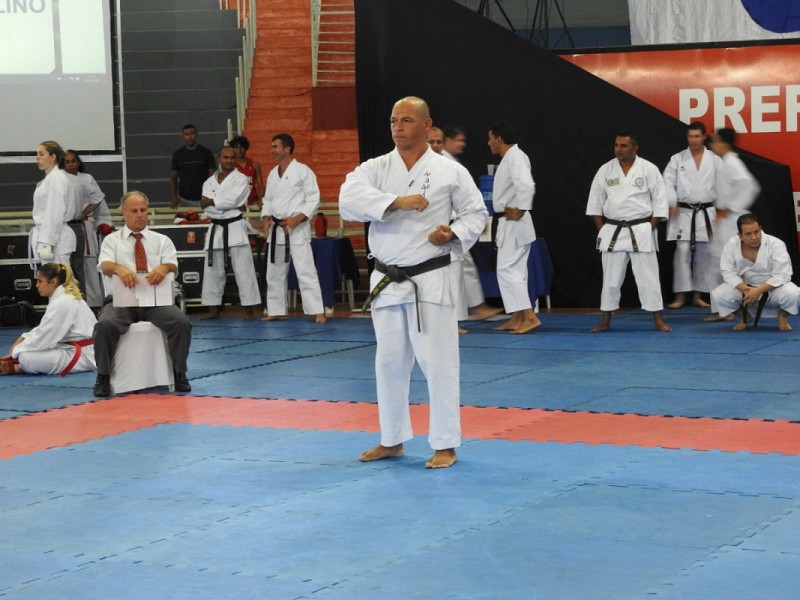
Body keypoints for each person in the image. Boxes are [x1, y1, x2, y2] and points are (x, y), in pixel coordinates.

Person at [339, 96, 487, 469]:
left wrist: (452, 233)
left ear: (426, 124)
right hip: (387, 277)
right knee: (389, 362)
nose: (398, 127)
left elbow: (475, 213)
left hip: (429, 277)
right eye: (393, 120)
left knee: (438, 363)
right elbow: (348, 198)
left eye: (406, 120)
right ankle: (392, 439)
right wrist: (397, 202)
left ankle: (445, 444)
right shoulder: (376, 167)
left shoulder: (449, 170)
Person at [92, 191, 193, 397]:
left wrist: (163, 268)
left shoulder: (161, 240)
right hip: (121, 301)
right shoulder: (112, 240)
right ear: (124, 213)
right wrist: (120, 269)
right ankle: (103, 376)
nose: (140, 215)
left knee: (180, 322)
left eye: (143, 210)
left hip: (155, 302)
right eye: (134, 211)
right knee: (105, 324)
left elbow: (173, 265)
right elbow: (105, 265)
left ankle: (179, 372)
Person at [586, 132, 671, 333]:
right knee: (611, 279)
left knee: (649, 278)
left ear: (635, 148)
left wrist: (650, 227)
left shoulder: (648, 169)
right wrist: (602, 229)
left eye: (623, 146)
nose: (618, 149)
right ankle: (605, 320)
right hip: (613, 229)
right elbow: (595, 202)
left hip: (640, 228)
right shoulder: (606, 169)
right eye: (616, 145)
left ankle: (658, 319)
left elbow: (660, 201)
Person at [260, 133, 327, 324]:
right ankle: (277, 310)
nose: (272, 150)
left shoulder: (303, 171)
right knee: (274, 272)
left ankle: (317, 310)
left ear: (287, 149)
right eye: (272, 147)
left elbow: (313, 198)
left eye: (275, 146)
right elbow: (268, 198)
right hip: (277, 228)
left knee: (305, 270)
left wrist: (297, 219)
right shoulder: (273, 174)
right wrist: (266, 218)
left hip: (296, 228)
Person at [487, 121, 541, 334]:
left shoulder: (515, 157)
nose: (488, 143)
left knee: (508, 270)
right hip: (510, 222)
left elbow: (527, 185)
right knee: (515, 271)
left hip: (515, 221)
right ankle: (517, 317)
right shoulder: (510, 158)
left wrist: (522, 208)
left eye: (490, 138)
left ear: (499, 139)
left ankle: (529, 316)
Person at [663, 122, 723, 309]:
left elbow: (724, 185)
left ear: (704, 136)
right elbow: (667, 182)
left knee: (704, 255)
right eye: (691, 136)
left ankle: (698, 295)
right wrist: (672, 202)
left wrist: (722, 208)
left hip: (706, 212)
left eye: (697, 136)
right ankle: (680, 296)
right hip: (684, 212)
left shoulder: (715, 160)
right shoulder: (677, 159)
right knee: (682, 253)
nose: (694, 140)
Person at [0, 263, 96, 376]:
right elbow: (44, 330)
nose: (37, 285)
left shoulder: (63, 301)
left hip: (85, 356)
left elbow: (45, 337)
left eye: (40, 281)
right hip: (75, 348)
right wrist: (23, 338)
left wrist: (16, 352)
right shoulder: (62, 297)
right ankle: (18, 365)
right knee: (26, 350)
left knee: (26, 357)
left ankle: (18, 367)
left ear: (53, 281)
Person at [200, 146, 261, 320]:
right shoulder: (209, 182)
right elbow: (204, 205)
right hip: (216, 226)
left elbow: (235, 200)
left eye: (232, 157)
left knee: (244, 268)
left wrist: (212, 201)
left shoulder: (241, 179)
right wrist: (225, 203)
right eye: (225, 157)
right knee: (213, 269)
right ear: (219, 159)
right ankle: (213, 308)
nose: (229, 160)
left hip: (234, 225)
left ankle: (248, 308)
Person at [705, 127, 760, 321]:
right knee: (718, 266)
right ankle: (726, 309)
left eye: (715, 141)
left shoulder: (732, 162)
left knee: (725, 265)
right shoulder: (724, 162)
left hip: (731, 220)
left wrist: (729, 208)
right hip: (726, 219)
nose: (712, 145)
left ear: (724, 143)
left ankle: (736, 308)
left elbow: (750, 186)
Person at [710, 213, 799, 331]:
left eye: (756, 232)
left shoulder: (776, 244)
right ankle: (745, 316)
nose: (754, 237)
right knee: (719, 295)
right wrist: (745, 289)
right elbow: (727, 272)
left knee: (793, 293)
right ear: (740, 235)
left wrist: (758, 290)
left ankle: (782, 316)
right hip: (745, 288)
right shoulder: (731, 245)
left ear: (760, 229)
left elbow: (783, 274)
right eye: (748, 234)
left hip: (772, 289)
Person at [62, 149, 106, 299]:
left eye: (73, 161)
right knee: (65, 266)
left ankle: (86, 301)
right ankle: (67, 299)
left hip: (80, 225)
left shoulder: (86, 178)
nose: (70, 164)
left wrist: (84, 213)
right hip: (63, 226)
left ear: (78, 162)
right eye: (67, 162)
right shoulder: (59, 179)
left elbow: (98, 198)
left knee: (82, 265)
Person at [29, 141, 76, 266]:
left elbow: (55, 211)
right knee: (51, 277)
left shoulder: (57, 178)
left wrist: (47, 242)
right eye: (37, 154)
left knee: (58, 276)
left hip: (56, 240)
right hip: (51, 236)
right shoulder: (51, 178)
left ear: (52, 157)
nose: (37, 157)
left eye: (41, 154)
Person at [169, 124, 216, 209]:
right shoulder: (178, 155)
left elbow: (213, 177)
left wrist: (211, 196)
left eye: (192, 133)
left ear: (196, 134)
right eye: (186, 134)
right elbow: (173, 178)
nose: (190, 137)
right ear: (183, 137)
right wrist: (174, 197)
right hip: (184, 200)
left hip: (204, 199)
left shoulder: (206, 153)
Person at [229, 135, 265, 208]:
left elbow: (260, 185)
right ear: (233, 149)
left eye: (242, 147)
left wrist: (261, 199)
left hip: (253, 202)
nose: (239, 150)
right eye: (236, 147)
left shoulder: (254, 164)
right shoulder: (230, 166)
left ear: (246, 148)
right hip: (236, 202)